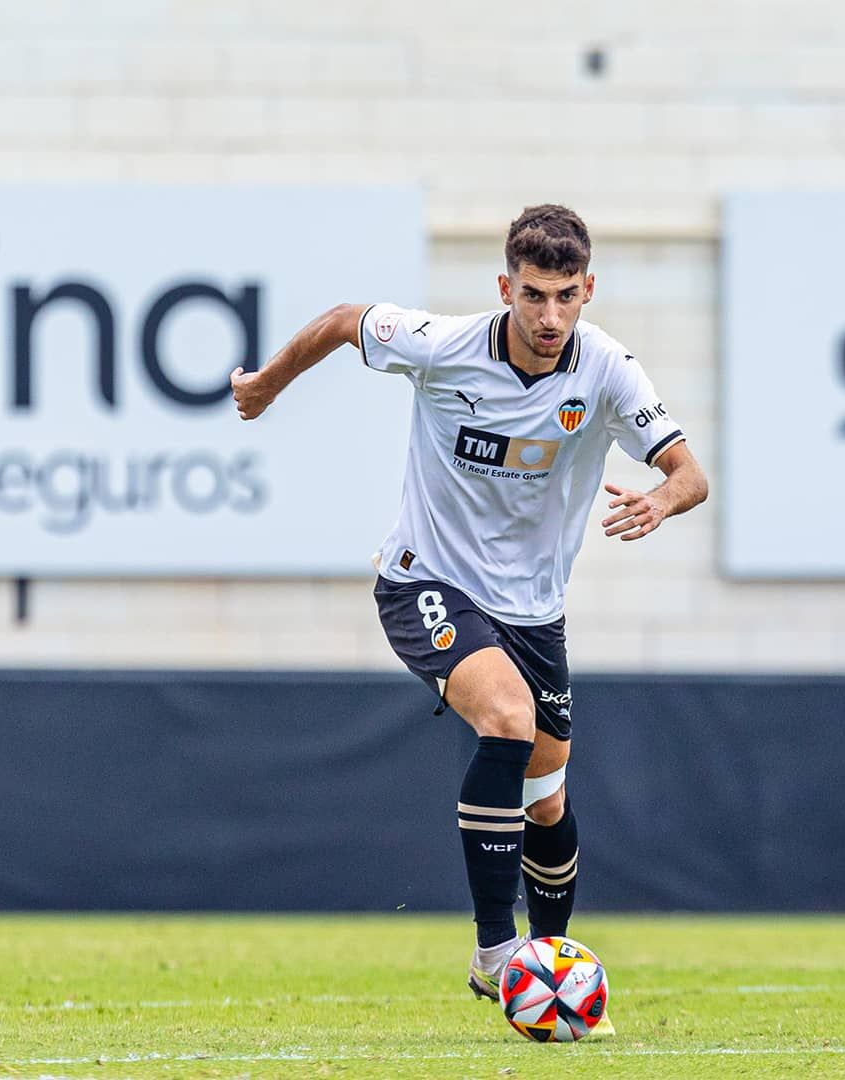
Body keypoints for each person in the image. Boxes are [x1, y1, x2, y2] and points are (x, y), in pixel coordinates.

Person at [229, 204, 708, 999]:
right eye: (532, 295)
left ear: (588, 288)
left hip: (534, 611)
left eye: (564, 296)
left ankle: (547, 968)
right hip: (427, 579)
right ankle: (496, 954)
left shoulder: (611, 371)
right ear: (505, 288)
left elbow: (691, 473)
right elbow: (348, 321)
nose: (549, 316)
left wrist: (664, 499)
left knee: (547, 800)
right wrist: (269, 386)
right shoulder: (444, 346)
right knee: (509, 721)